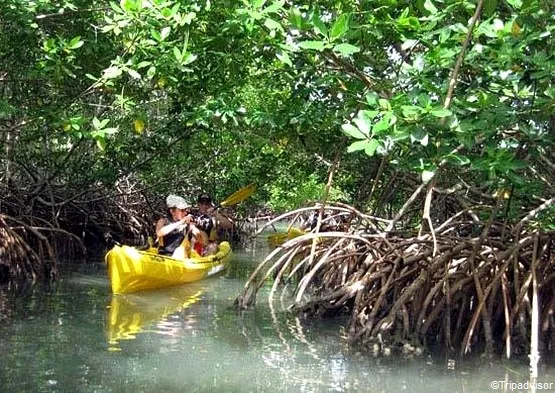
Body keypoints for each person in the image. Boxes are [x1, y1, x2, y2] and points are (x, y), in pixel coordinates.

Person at [156, 195, 204, 259]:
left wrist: (193, 226)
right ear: (172, 211)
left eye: (185, 210)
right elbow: (159, 233)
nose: (185, 213)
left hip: (181, 258)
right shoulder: (163, 221)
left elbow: (200, 239)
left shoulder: (188, 224)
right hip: (164, 257)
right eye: (182, 210)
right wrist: (181, 222)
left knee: (180, 251)